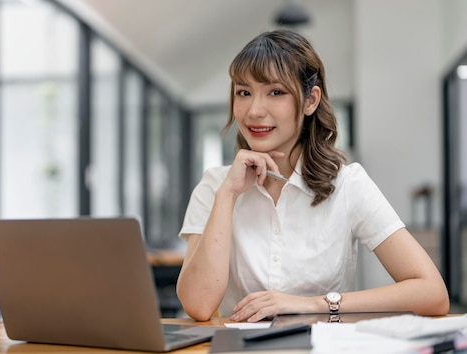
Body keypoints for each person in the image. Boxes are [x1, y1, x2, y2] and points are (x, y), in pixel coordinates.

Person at [175, 29, 449, 322]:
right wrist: (227, 196)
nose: (253, 111)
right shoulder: (216, 186)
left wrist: (312, 304)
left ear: (310, 100)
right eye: (244, 92)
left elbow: (432, 293)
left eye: (275, 92)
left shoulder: (348, 185)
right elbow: (199, 305)